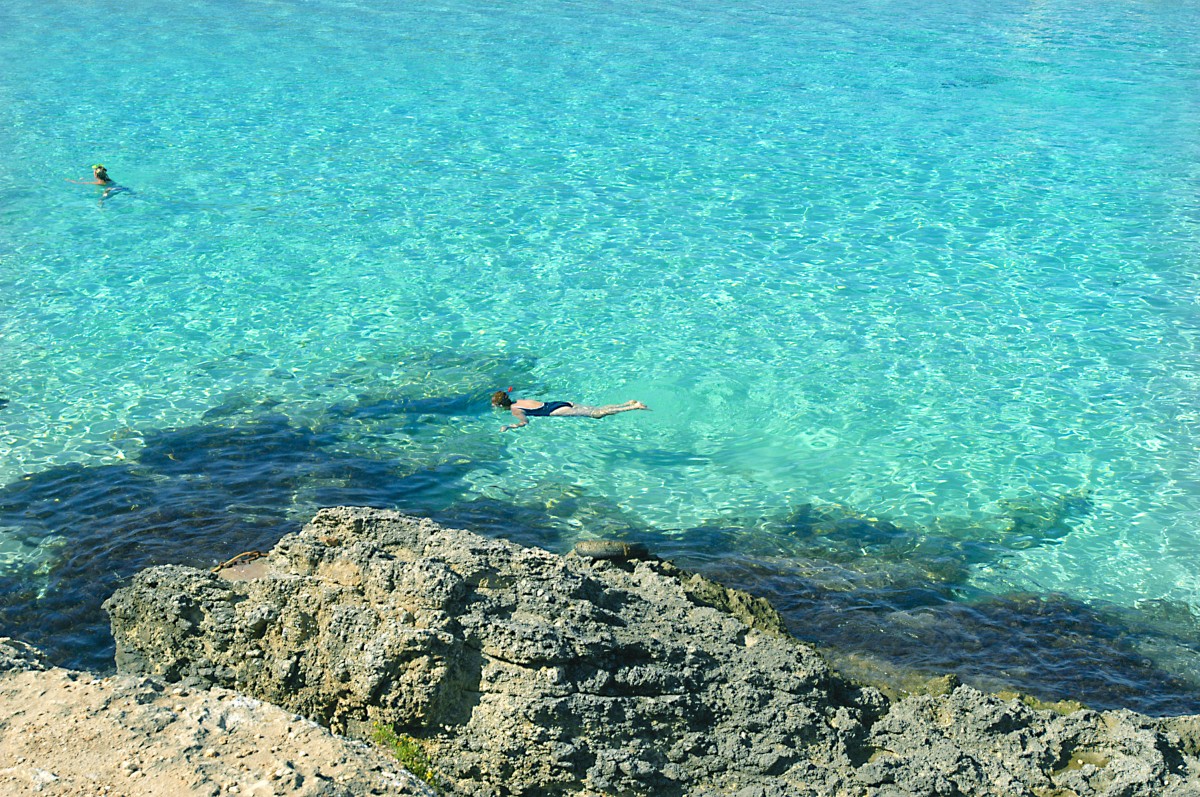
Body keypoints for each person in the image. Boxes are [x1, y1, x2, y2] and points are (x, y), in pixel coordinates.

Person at [491, 390, 649, 431]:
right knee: (598, 409)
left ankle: (633, 407)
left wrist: (510, 427)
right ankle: (626, 403)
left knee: (597, 415)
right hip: (561, 403)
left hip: (557, 411)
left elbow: (524, 422)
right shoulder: (519, 400)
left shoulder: (514, 409)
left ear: (500, 405)